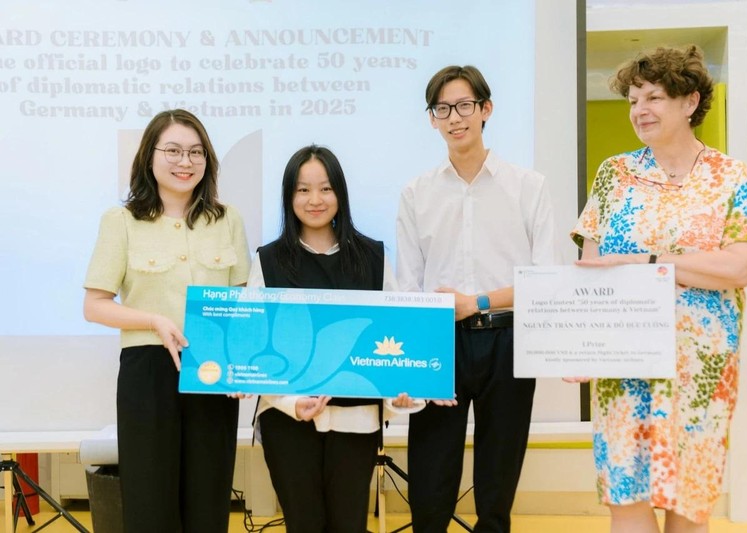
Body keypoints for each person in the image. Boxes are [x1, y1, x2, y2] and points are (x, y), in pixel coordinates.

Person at [570, 45, 747, 533]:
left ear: (689, 101)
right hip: (623, 361)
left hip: (700, 369)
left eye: (653, 97)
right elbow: (590, 270)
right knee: (628, 500)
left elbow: (742, 266)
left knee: (689, 507)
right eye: (633, 100)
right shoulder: (614, 175)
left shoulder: (731, 176)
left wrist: (651, 262)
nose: (640, 110)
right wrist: (576, 346)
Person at [396, 65, 556, 532]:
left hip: (507, 339)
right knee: (429, 482)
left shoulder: (529, 186)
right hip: (438, 342)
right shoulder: (415, 193)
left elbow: (544, 280)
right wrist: (421, 354)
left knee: (496, 484)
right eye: (442, 109)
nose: (454, 117)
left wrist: (478, 302)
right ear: (432, 119)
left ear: (485, 110)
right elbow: (408, 286)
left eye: (464, 106)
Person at [83, 109, 251, 532]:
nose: (185, 161)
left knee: (209, 499)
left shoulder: (227, 220)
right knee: (150, 501)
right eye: (173, 150)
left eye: (196, 152)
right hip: (148, 370)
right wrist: (153, 320)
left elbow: (244, 302)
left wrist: (241, 366)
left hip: (211, 370)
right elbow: (96, 304)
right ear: (150, 156)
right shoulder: (120, 221)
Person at [248, 144, 423, 533]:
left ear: (340, 194)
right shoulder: (268, 260)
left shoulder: (373, 258)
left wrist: (401, 392)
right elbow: (256, 349)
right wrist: (293, 402)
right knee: (303, 524)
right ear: (288, 196)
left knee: (349, 525)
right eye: (302, 190)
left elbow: (396, 337)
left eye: (325, 189)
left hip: (357, 422)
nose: (315, 200)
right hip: (287, 421)